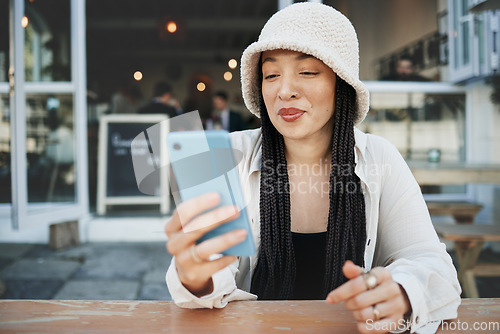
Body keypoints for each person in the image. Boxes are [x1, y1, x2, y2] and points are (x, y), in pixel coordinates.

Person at [164, 3, 460, 334]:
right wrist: (195, 276)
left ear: (341, 84)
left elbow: (434, 267)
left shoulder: (380, 157)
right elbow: (206, 277)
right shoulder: (222, 156)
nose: (284, 90)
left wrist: (403, 291)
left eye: (307, 72)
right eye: (271, 75)